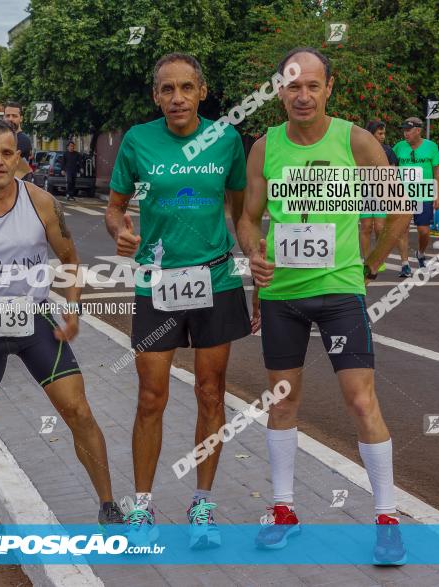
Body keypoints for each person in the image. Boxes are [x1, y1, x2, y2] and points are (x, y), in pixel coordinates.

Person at [238, 47, 410, 566]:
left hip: (339, 293)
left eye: (313, 86)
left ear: (328, 88)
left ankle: (386, 518)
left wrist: (373, 263)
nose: (303, 95)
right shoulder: (264, 148)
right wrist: (253, 255)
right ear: (280, 90)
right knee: (282, 401)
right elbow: (249, 217)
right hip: (284, 296)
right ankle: (284, 509)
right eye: (293, 86)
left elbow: (398, 207)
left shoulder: (355, 140)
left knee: (360, 400)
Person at [0, 116, 121, 526]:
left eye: (6, 152)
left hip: (34, 319)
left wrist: (71, 311)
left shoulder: (41, 202)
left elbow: (70, 259)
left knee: (79, 412)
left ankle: (109, 505)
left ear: (18, 156)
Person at [105, 52, 253, 549]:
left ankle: (202, 504)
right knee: (151, 396)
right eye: (166, 89)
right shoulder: (137, 141)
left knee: (212, 393)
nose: (176, 98)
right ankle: (143, 506)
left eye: (185, 88)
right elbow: (115, 209)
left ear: (202, 91)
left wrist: (259, 265)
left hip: (216, 280)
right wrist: (120, 234)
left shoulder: (226, 139)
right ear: (155, 96)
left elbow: (240, 211)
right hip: (158, 283)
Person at [393, 117, 439, 277]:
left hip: (424, 194)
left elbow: (437, 172)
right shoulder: (399, 147)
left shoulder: (431, 147)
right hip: (403, 195)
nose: (405, 133)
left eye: (408, 130)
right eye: (404, 130)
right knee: (403, 229)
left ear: (418, 130)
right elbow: (391, 168)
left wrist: (438, 196)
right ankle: (404, 264)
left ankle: (420, 253)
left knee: (423, 231)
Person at [360, 120, 398, 267]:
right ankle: (366, 260)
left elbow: (393, 173)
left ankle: (377, 258)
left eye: (384, 133)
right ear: (371, 134)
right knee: (366, 227)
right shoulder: (360, 149)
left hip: (381, 194)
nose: (383, 136)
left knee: (380, 228)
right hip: (364, 193)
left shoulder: (388, 151)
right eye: (379, 133)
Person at [3, 101, 34, 180]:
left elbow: (15, 171)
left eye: (14, 116)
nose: (10, 119)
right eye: (7, 116)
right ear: (3, 117)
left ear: (21, 118)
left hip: (17, 187)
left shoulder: (23, 140)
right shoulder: (3, 138)